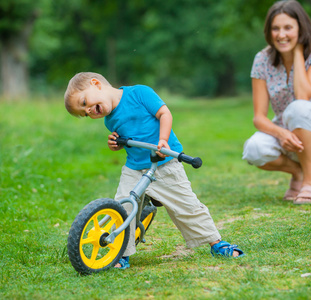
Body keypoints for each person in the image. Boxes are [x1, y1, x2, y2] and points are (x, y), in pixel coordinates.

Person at [64, 72, 244, 269]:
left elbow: (164, 114)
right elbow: (129, 139)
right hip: (134, 168)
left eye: (84, 103)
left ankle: (216, 242)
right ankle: (121, 254)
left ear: (96, 84)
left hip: (164, 162)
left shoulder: (139, 93)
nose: (89, 111)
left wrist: (163, 139)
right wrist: (116, 144)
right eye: (85, 113)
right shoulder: (110, 120)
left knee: (185, 204)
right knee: (124, 207)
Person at [242, 0, 311, 205]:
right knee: (253, 149)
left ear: (301, 29)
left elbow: (304, 96)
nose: (281, 35)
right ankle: (298, 172)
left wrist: (298, 52)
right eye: (276, 28)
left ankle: (310, 184)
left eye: (288, 28)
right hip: (287, 135)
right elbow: (259, 118)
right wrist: (281, 133)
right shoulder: (262, 59)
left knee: (299, 108)